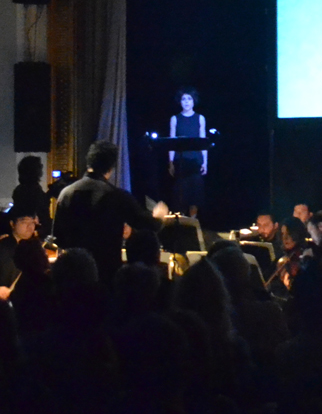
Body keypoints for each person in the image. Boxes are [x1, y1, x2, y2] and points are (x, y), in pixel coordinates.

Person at [53, 140, 168, 286]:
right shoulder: (117, 196)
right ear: (111, 168)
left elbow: (58, 238)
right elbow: (150, 225)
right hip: (106, 275)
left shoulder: (65, 194)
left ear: (89, 163)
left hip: (71, 277)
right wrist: (159, 216)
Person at [0, 203, 40, 301]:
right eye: (24, 222)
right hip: (3, 302)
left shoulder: (36, 248)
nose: (30, 227)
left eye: (33, 223)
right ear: (12, 224)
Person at [168, 87, 207, 217]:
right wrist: (171, 162)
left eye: (189, 99)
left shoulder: (200, 118)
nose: (186, 102)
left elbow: (203, 142)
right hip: (181, 160)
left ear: (193, 101)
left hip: (195, 160)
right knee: (181, 197)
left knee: (195, 197)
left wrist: (205, 162)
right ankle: (183, 224)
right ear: (180, 101)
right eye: (183, 99)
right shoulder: (175, 118)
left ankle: (193, 222)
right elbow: (172, 143)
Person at [12, 155, 51, 231]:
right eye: (39, 166)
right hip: (33, 228)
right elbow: (37, 207)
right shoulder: (28, 189)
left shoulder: (25, 188)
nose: (41, 169)